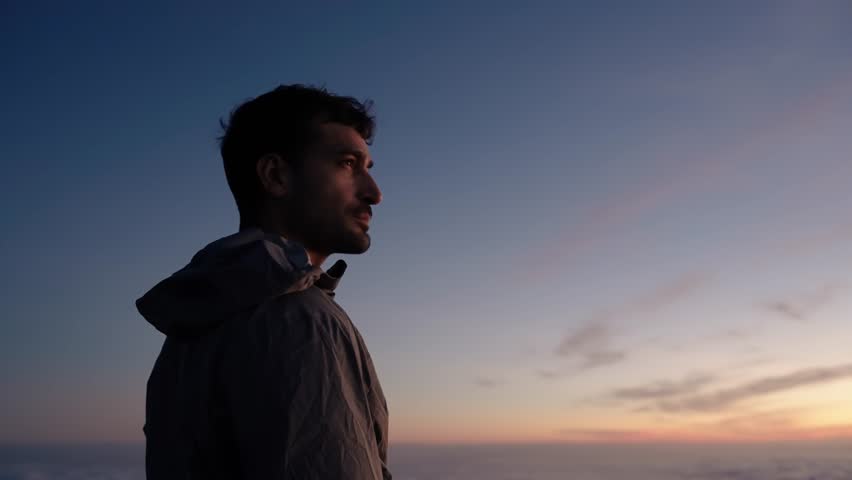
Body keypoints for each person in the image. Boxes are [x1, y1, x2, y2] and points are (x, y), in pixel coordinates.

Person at [136, 84, 390, 479]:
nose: (374, 194)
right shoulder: (301, 319)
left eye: (368, 169)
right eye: (347, 164)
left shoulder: (193, 326)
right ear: (275, 176)